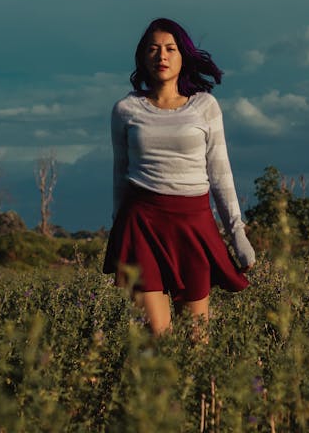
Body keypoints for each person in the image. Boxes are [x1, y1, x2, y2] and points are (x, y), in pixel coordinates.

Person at [103, 17, 255, 335]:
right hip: (142, 223)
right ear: (142, 58)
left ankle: (199, 387)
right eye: (154, 49)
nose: (162, 56)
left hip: (193, 224)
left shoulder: (205, 106)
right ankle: (153, 386)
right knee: (156, 333)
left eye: (170, 49)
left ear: (182, 55)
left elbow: (220, 173)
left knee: (195, 335)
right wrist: (118, 234)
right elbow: (120, 174)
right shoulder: (126, 110)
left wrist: (237, 234)